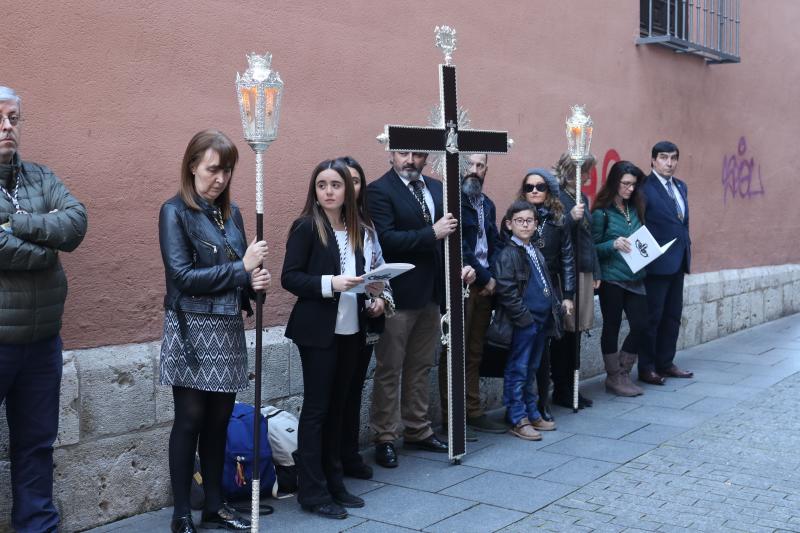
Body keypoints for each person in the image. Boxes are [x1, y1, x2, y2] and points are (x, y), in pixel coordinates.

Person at [159, 129, 269, 533]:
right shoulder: (174, 211)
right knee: (189, 419)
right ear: (192, 166)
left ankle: (216, 504)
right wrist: (241, 268)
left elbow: (237, 274)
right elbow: (183, 276)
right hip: (190, 326)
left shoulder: (233, 214)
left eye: (226, 170)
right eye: (212, 169)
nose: (220, 178)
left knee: (220, 420)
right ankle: (181, 512)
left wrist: (253, 284)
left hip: (227, 328)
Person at [0, 86, 88, 533]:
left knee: (36, 443)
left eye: (14, 118)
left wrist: (18, 224)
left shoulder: (40, 177)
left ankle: (37, 525)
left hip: (42, 342)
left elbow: (75, 224)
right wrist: (47, 249)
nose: (7, 127)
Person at [281, 159, 385, 519]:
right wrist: (330, 284)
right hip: (317, 331)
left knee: (339, 408)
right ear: (315, 190)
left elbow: (361, 278)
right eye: (322, 185)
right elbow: (290, 277)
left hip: (351, 329)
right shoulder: (307, 226)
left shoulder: (358, 229)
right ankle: (312, 492)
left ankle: (335, 483)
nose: (328, 191)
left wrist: (373, 293)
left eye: (336, 185)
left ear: (349, 191)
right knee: (317, 411)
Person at [367, 151, 475, 469]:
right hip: (398, 294)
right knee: (390, 369)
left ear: (426, 157)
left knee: (421, 365)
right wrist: (432, 233)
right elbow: (385, 240)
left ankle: (417, 429)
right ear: (390, 154)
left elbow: (454, 237)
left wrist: (464, 265)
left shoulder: (438, 188)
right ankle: (385, 437)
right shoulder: (379, 190)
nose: (410, 160)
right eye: (403, 154)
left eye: (417, 154)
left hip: (432, 293)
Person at [438, 153, 507, 437]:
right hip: (462, 286)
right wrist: (487, 276)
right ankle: (451, 417)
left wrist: (497, 277)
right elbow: (460, 247)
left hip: (485, 288)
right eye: (470, 165)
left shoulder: (487, 204)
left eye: (480, 166)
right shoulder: (451, 202)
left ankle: (473, 410)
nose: (474, 171)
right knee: (454, 350)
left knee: (476, 351)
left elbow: (494, 242)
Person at [336, 156, 395, 481]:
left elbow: (380, 271)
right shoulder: (323, 225)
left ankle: (349, 454)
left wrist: (380, 300)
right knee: (333, 395)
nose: (350, 186)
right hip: (332, 323)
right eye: (344, 180)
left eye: (356, 180)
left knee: (355, 388)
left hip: (362, 324)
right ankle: (331, 459)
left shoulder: (368, 229)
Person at [490, 200, 561, 440]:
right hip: (524, 323)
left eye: (529, 220)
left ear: (536, 224)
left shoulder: (534, 249)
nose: (525, 225)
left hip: (540, 321)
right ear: (509, 224)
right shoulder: (508, 253)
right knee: (518, 369)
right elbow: (507, 291)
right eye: (519, 221)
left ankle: (532, 411)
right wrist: (525, 319)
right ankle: (517, 417)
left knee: (532, 369)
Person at [515, 168, 575, 421]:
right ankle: (519, 408)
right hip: (522, 291)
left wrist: (568, 295)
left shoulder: (558, 220)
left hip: (549, 290)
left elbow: (567, 259)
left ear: (549, 190)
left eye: (540, 187)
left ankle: (542, 403)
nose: (535, 191)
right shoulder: (515, 216)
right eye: (529, 187)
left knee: (544, 351)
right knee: (521, 352)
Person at [591, 161, 649, 396]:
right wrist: (613, 244)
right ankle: (614, 376)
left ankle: (623, 371)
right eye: (625, 184)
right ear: (614, 182)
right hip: (611, 279)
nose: (630, 189)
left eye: (633, 185)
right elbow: (592, 247)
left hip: (636, 276)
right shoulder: (601, 213)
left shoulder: (635, 208)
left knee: (642, 325)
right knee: (611, 327)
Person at [639, 141, 693, 385]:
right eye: (663, 158)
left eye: (673, 158)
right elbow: (639, 225)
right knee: (653, 317)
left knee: (673, 315)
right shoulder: (644, 188)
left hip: (679, 261)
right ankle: (647, 367)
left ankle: (666, 362)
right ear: (652, 160)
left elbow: (681, 222)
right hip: (656, 264)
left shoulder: (681, 186)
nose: (669, 163)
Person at [550, 153, 601, 409]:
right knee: (566, 333)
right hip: (566, 271)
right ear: (570, 171)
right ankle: (562, 387)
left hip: (584, 270)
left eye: (588, 172)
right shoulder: (557, 196)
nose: (588, 177)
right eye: (584, 172)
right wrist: (571, 217)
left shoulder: (583, 198)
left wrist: (596, 271)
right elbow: (553, 233)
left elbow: (589, 238)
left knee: (578, 331)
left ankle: (572, 385)